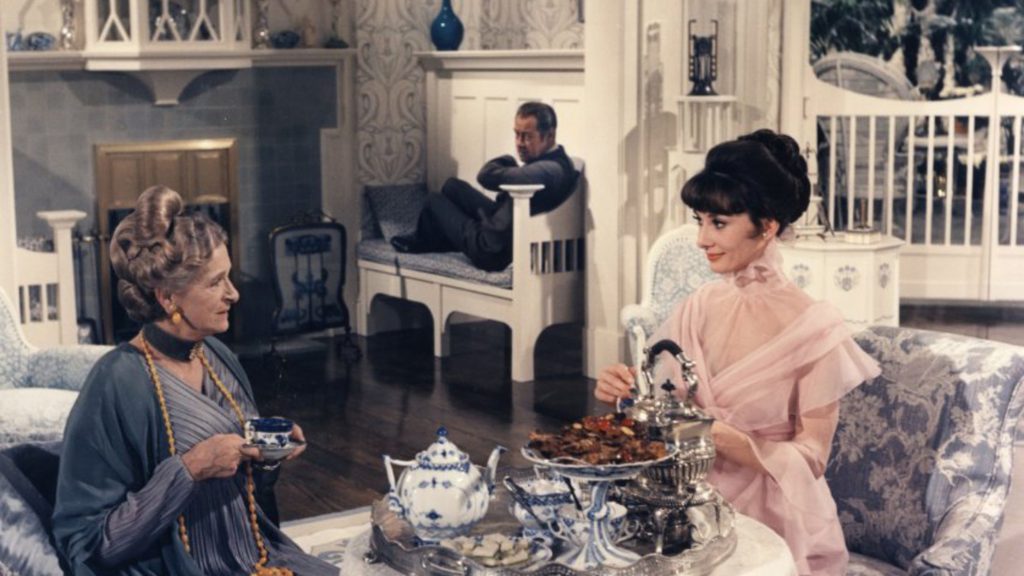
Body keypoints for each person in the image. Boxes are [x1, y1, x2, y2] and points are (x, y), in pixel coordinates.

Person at [594, 130, 880, 576]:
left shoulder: (816, 329)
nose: (701, 239)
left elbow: (811, 458)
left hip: (771, 517)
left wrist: (720, 436)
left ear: (767, 226)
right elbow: (665, 401)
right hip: (683, 499)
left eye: (719, 223)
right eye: (699, 220)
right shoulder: (700, 306)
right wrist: (627, 390)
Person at [53, 186, 337, 576]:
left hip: (250, 555)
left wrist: (268, 456)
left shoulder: (218, 356)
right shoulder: (116, 381)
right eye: (215, 282)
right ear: (168, 298)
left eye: (229, 277)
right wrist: (190, 468)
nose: (233, 294)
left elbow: (250, 497)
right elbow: (88, 544)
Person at [390, 101, 579, 271]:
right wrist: (510, 163)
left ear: (550, 135)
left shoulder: (548, 170)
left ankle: (422, 242)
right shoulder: (556, 161)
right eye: (517, 134)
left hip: (491, 249)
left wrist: (507, 160)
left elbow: (486, 176)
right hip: (502, 229)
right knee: (452, 186)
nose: (520, 143)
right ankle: (435, 240)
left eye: (527, 137)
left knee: (434, 200)